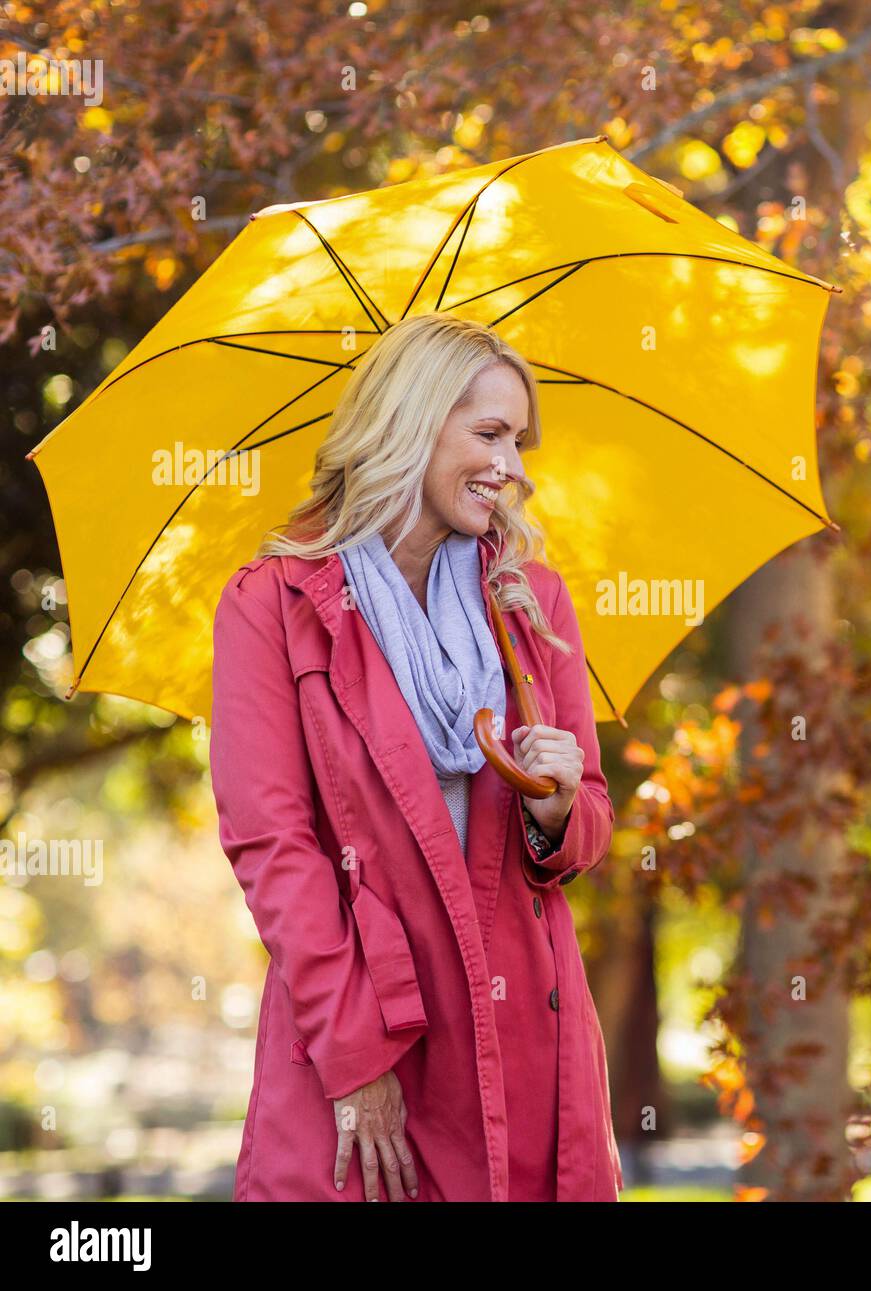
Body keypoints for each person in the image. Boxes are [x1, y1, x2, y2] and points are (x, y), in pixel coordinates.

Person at [209, 313, 622, 1201]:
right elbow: (272, 847)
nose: (511, 467)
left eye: (518, 441)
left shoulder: (529, 598)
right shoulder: (272, 603)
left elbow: (587, 819)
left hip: (530, 1036)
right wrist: (356, 1060)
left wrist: (557, 810)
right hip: (372, 1031)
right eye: (489, 434)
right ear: (411, 422)